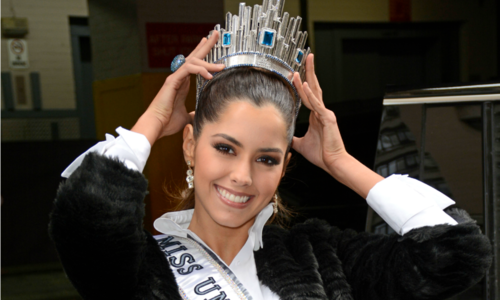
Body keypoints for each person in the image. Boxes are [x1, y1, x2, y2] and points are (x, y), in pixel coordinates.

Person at [49, 4, 491, 299]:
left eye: (266, 158)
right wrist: (146, 127)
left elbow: (457, 254)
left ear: (284, 167)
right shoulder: (134, 266)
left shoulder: (319, 253)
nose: (243, 175)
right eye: (225, 148)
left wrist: (342, 164)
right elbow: (86, 210)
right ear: (189, 145)